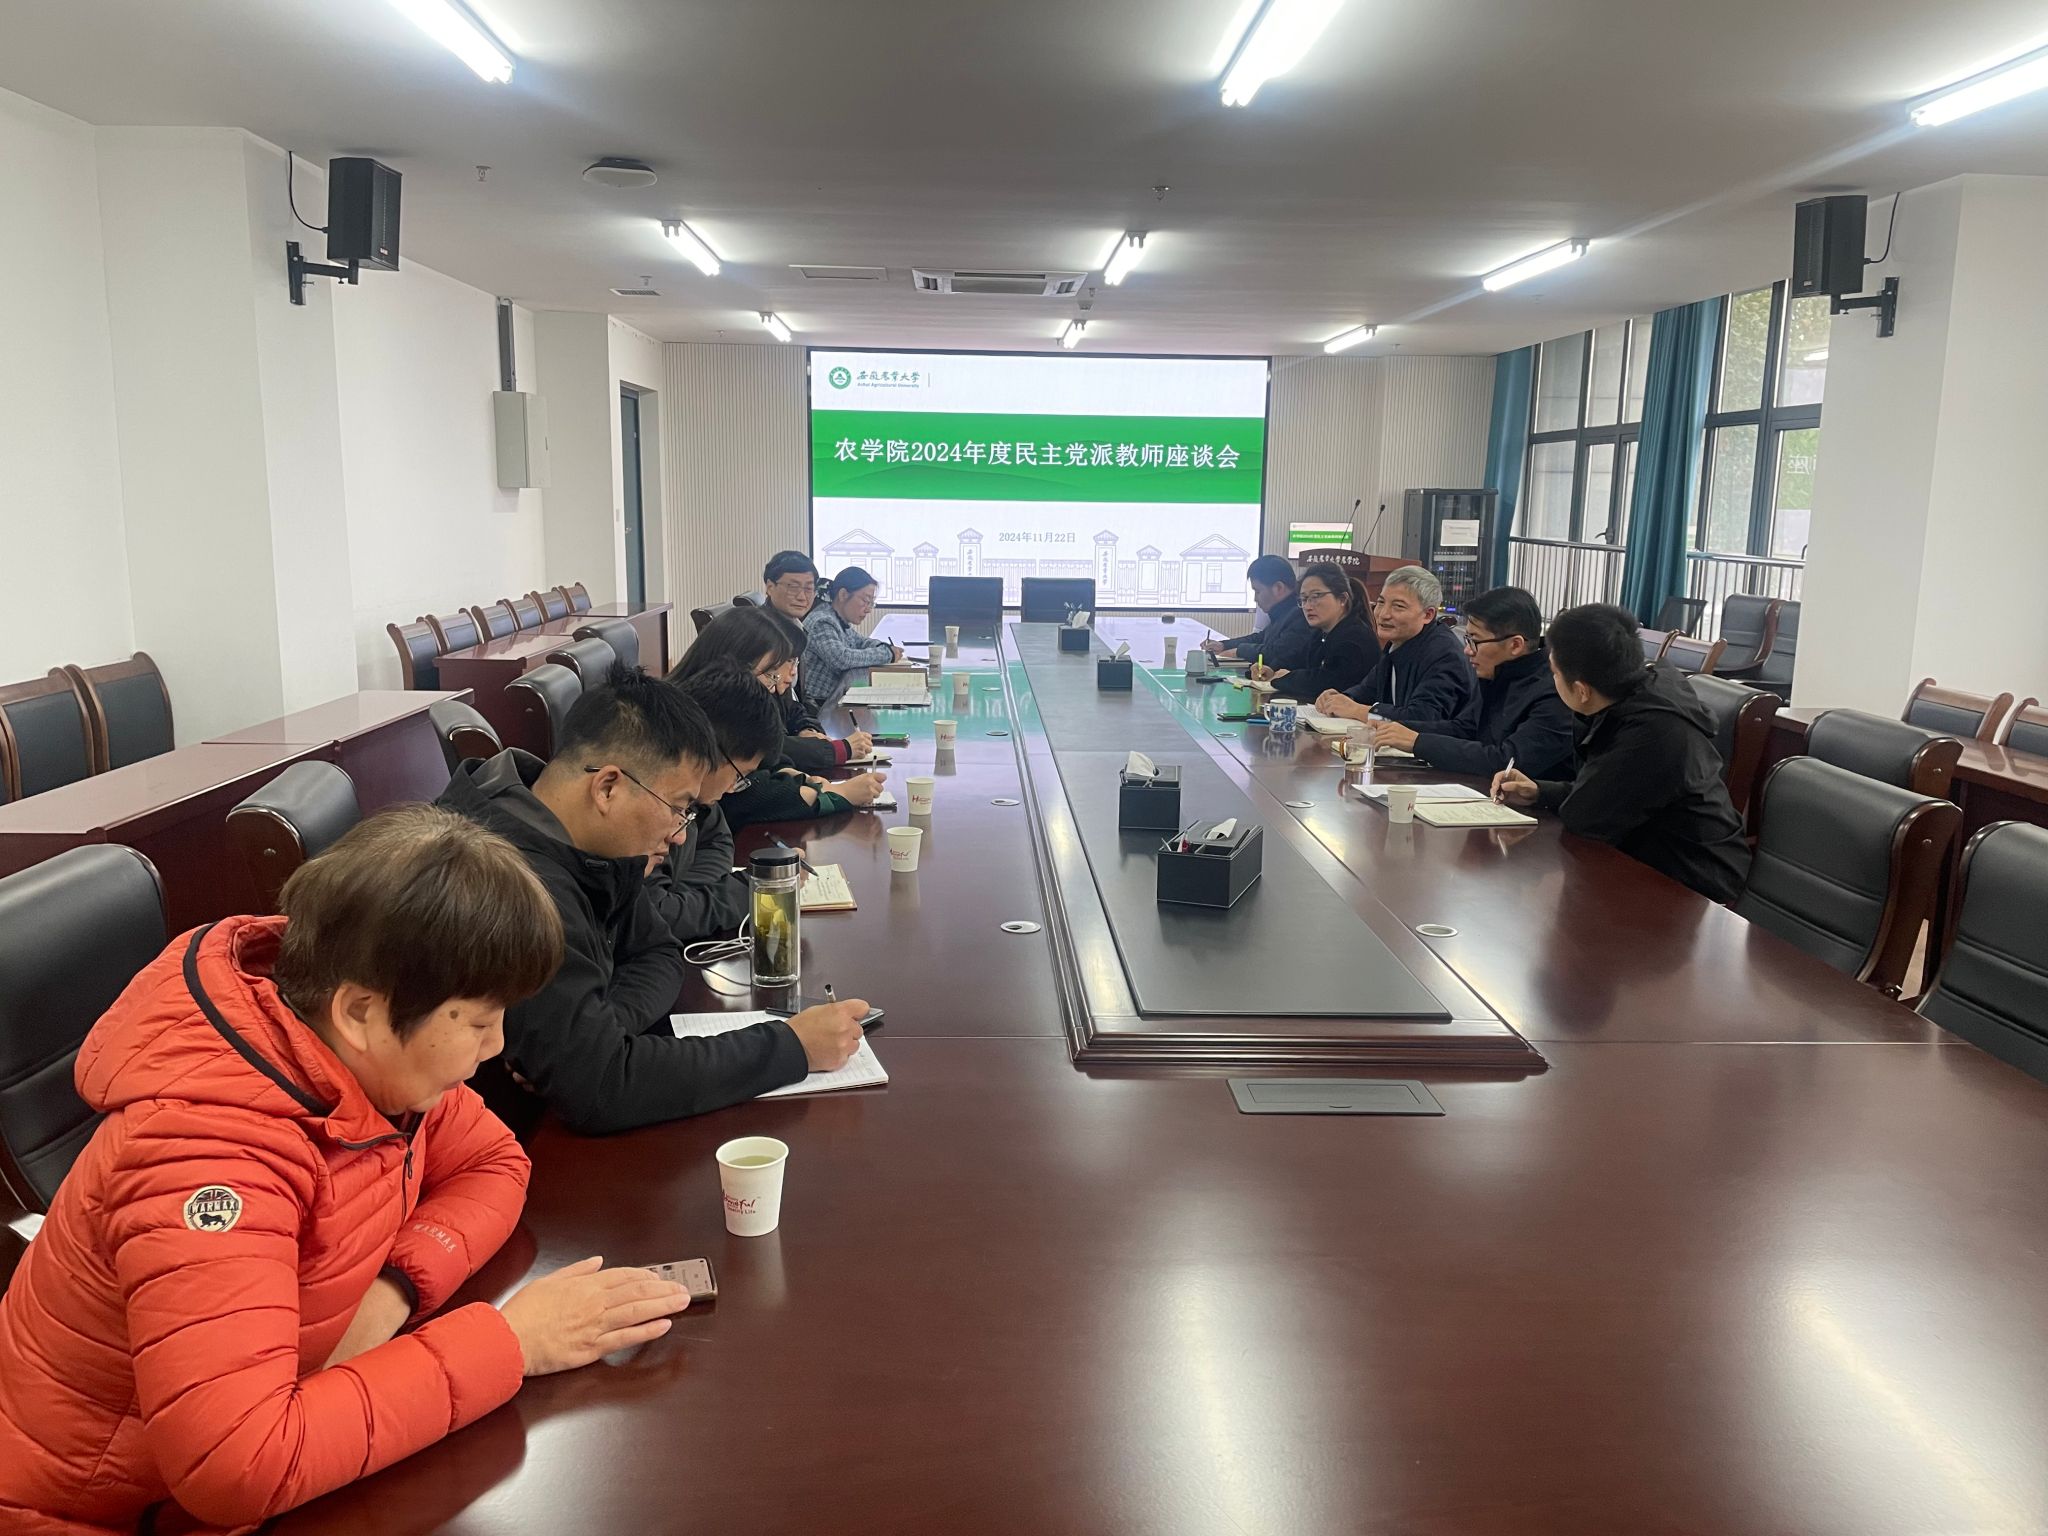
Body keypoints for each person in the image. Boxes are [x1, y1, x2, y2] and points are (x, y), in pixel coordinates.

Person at [0, 807, 703, 1534]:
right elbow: (240, 1467)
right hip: (92, 1515)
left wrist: (394, 1286)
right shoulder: (209, 1158)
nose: (495, 1046)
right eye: (477, 1019)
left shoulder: (368, 1064)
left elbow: (493, 1161)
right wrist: (512, 1343)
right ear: (361, 1010)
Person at [436, 669, 868, 1135]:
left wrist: (605, 1024)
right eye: (679, 807)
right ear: (608, 787)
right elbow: (603, 1085)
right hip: (501, 1141)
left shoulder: (584, 843)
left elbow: (658, 951)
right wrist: (791, 1048)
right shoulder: (507, 882)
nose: (681, 834)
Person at [1492, 602, 1751, 903]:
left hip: (1693, 887)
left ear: (1582, 690)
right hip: (1643, 861)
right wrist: (1540, 792)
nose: (1553, 681)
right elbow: (1608, 792)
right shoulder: (1628, 695)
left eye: (1554, 673)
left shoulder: (1653, 730)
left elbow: (1585, 817)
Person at [670, 607, 889, 827]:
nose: (776, 685)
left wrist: (797, 776)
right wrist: (832, 795)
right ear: (734, 664)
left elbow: (768, 756)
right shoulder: (693, 720)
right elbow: (740, 795)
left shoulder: (748, 697)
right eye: (770, 674)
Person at [1365, 586, 1576, 781]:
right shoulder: (1495, 675)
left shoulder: (1555, 691)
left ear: (1515, 645)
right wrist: (1396, 729)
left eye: (1475, 641)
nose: (1467, 650)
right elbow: (1464, 728)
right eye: (1467, 639)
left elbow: (1507, 760)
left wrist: (1417, 742)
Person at [644, 660, 786, 943]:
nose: (733, 787)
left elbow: (718, 840)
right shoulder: (652, 802)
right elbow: (658, 918)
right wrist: (750, 889)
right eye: (739, 775)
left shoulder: (699, 800)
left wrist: (688, 898)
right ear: (711, 749)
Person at [1315, 564, 1476, 725]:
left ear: (1428, 615)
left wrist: (1358, 710)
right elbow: (1367, 690)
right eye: (1380, 602)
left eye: (1398, 606)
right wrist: (1342, 698)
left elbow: (1423, 717)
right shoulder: (1398, 643)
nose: (1383, 614)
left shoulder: (1444, 654)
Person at [1267, 561, 1379, 701]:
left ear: (1342, 599)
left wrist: (1288, 678)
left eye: (1315, 597)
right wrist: (1272, 671)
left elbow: (1326, 682)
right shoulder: (1320, 633)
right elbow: (1297, 662)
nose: (1308, 606)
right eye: (1304, 599)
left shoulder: (1355, 638)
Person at [801, 565, 903, 707]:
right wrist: (888, 654)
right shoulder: (822, 621)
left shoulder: (837, 619)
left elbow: (860, 642)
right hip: (819, 706)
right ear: (843, 595)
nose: (868, 610)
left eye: (871, 603)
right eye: (865, 601)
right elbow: (841, 659)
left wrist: (884, 646)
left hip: (834, 699)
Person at [1202, 555, 1311, 672]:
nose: (1255, 599)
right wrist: (1224, 645)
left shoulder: (1300, 614)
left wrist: (1239, 651)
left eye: (1258, 591)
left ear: (1278, 588)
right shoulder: (1283, 613)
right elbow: (1260, 638)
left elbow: (1277, 653)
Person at [740, 550, 821, 648]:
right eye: (793, 587)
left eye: (808, 588)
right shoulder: (758, 632)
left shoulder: (797, 625)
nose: (802, 597)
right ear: (770, 587)